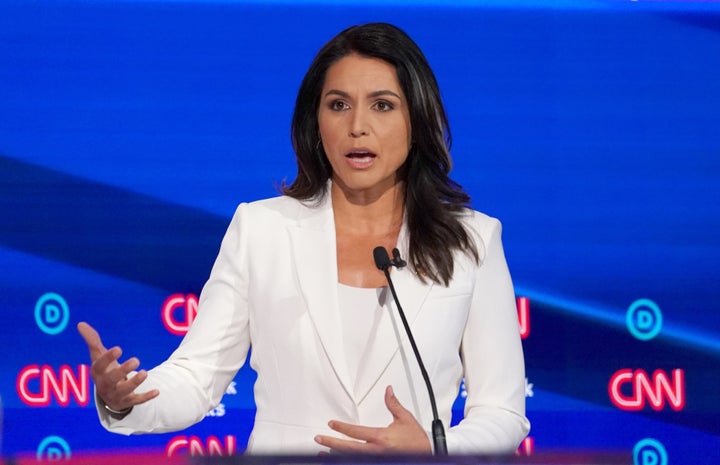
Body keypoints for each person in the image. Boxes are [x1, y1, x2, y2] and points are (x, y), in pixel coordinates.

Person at [78, 22, 530, 455]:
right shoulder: (262, 229)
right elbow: (198, 376)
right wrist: (128, 399)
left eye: (382, 105)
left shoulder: (472, 240)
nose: (357, 125)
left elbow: (502, 410)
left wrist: (436, 448)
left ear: (417, 119)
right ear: (316, 122)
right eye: (338, 105)